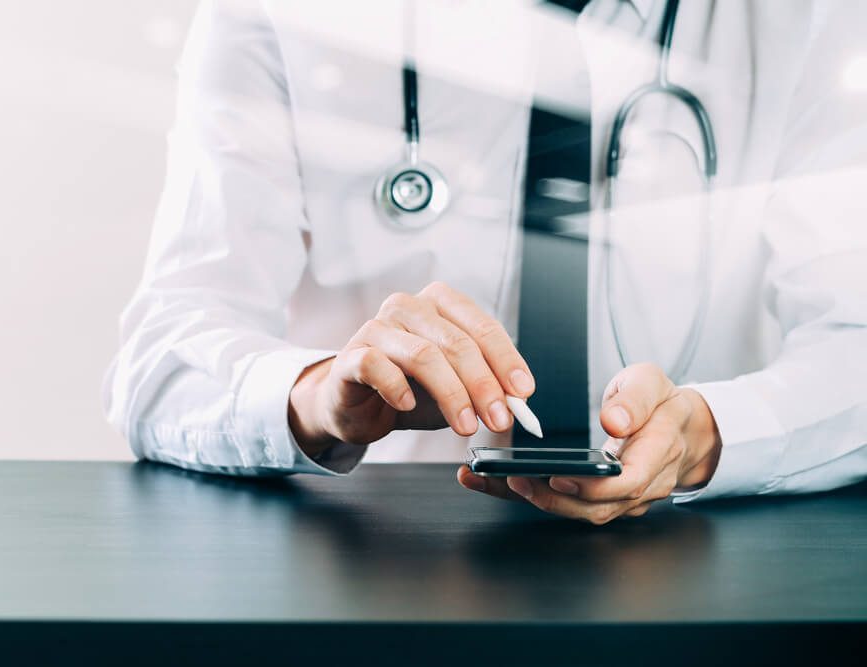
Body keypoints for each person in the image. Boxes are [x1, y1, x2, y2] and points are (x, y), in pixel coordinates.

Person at [104, 0, 867, 524]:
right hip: (376, 578)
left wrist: (706, 435)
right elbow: (161, 358)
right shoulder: (277, 14)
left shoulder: (813, 20)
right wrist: (315, 398)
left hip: (694, 581)